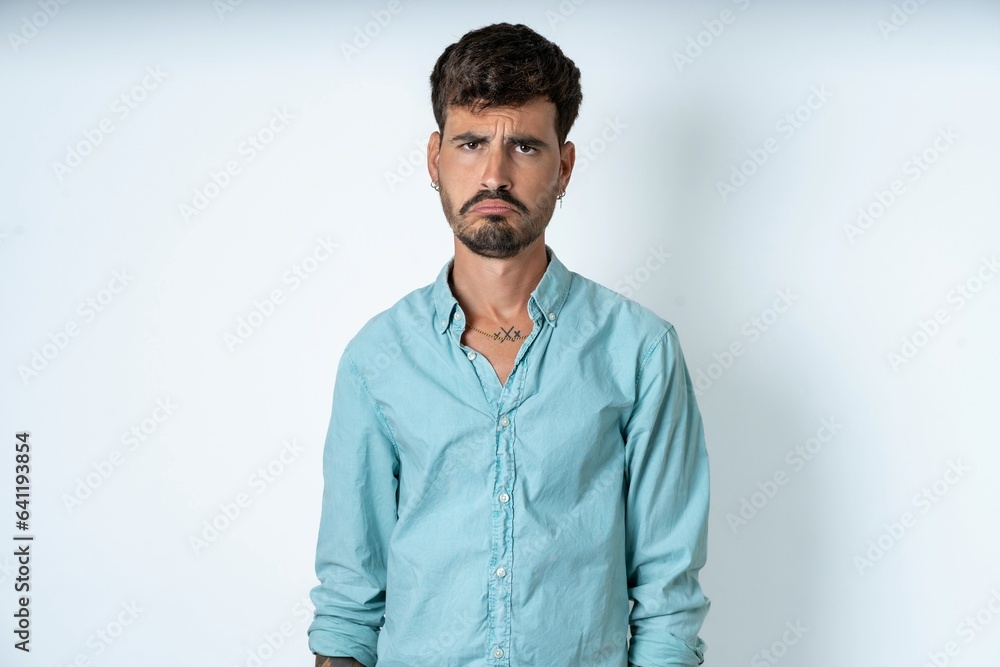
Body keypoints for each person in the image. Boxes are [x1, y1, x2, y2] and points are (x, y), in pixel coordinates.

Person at [308, 22, 710, 667]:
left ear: (564, 166)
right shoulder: (378, 357)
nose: (494, 175)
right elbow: (350, 598)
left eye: (524, 146)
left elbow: (667, 593)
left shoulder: (640, 350)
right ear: (435, 159)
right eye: (471, 143)